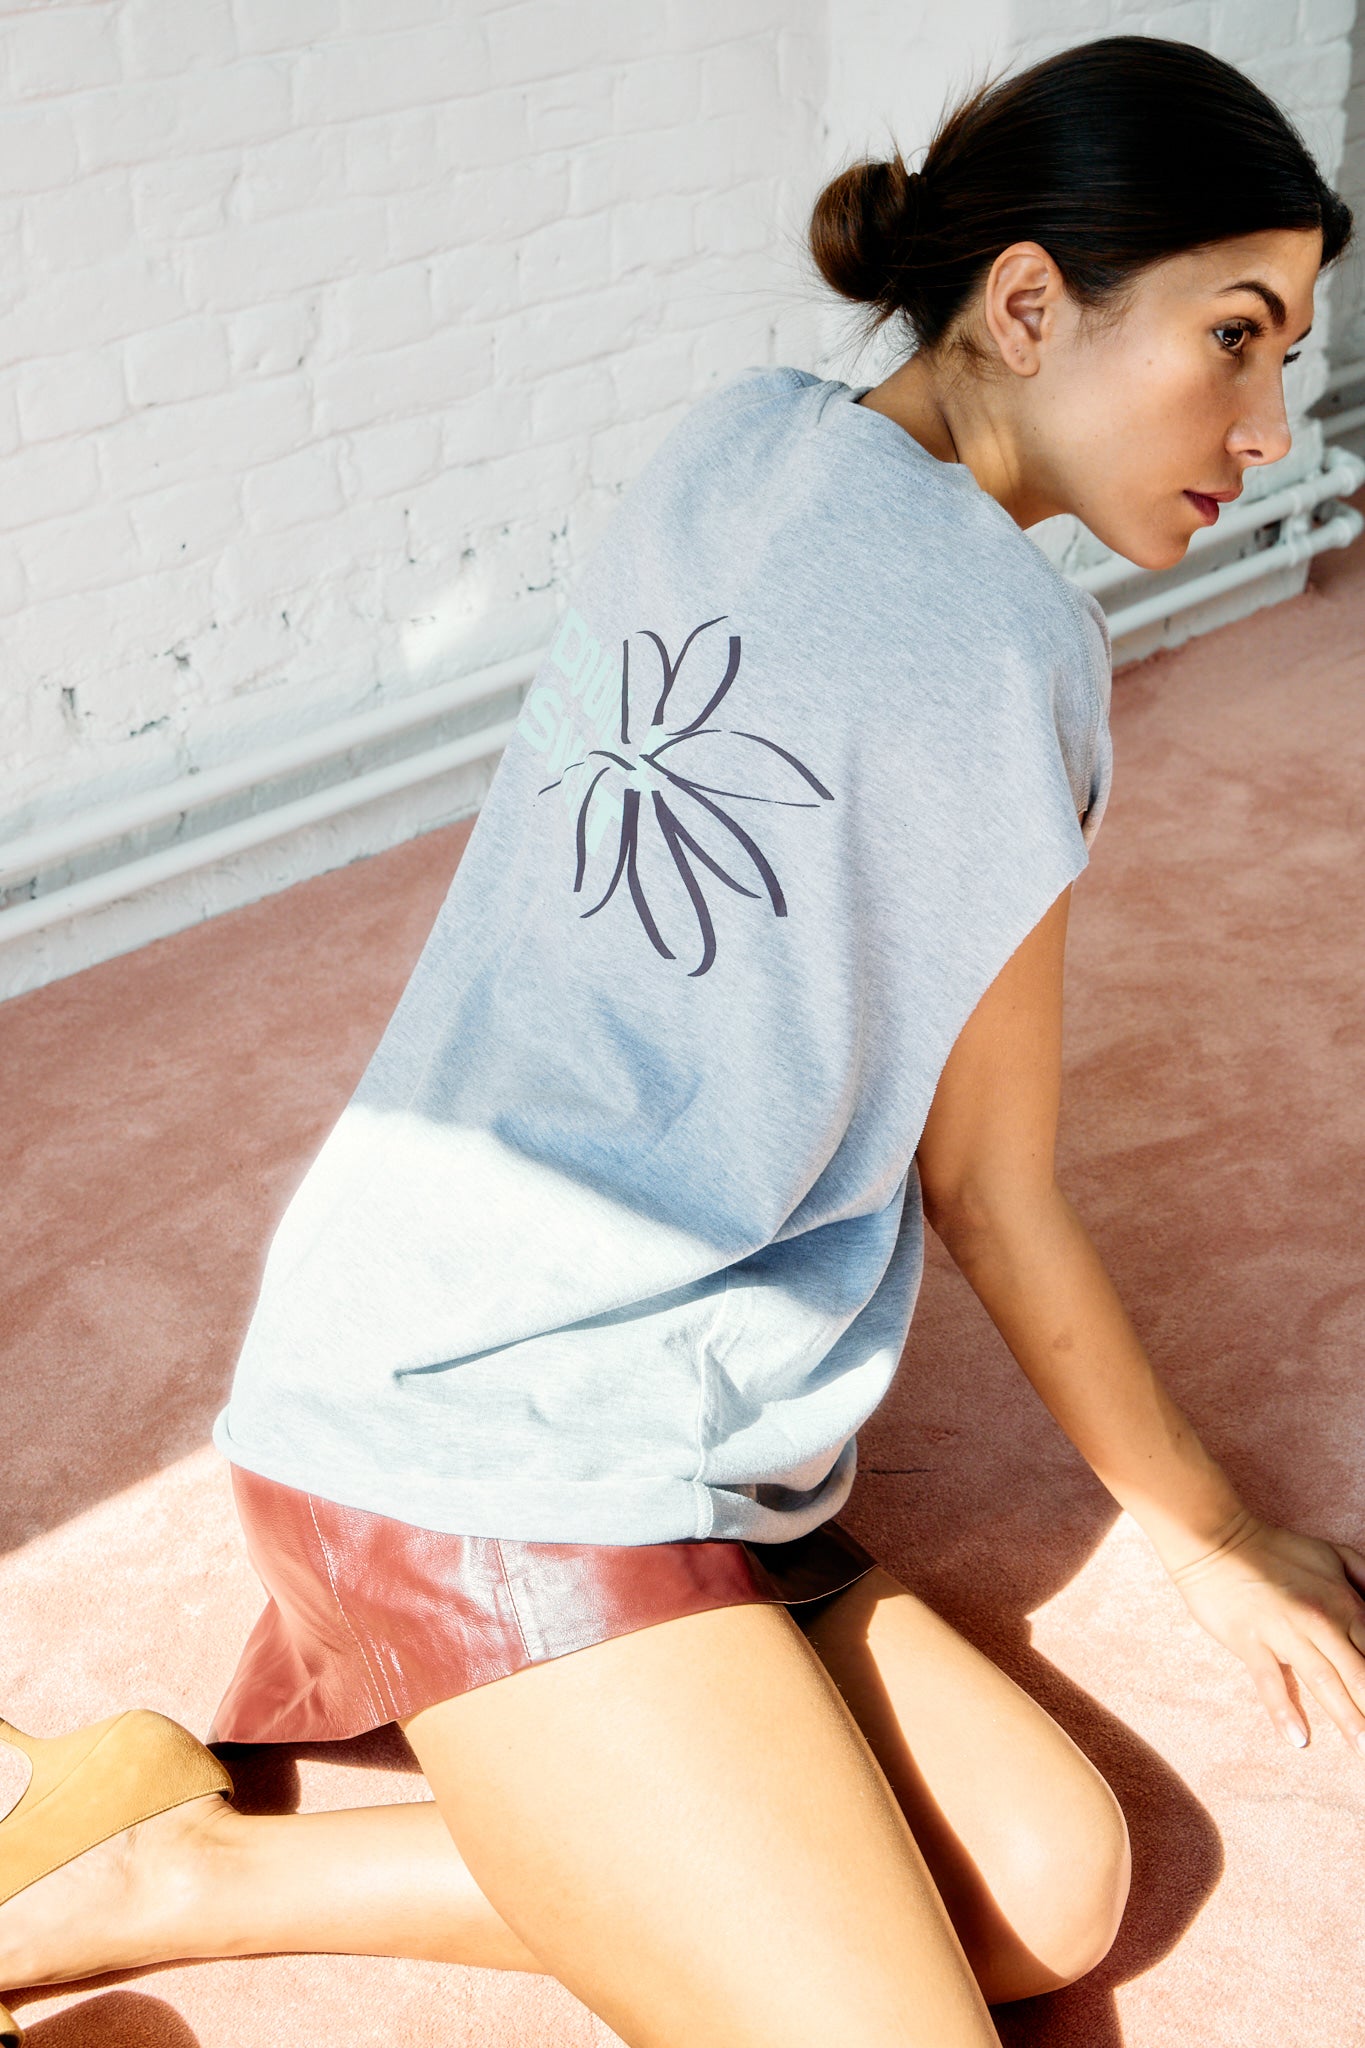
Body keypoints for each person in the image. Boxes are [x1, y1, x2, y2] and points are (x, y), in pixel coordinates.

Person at [3, 31, 1364, 2048]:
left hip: (585, 1383)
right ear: (1023, 303)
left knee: (1043, 1882)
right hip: (492, 1434)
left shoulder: (738, 431)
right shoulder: (1012, 649)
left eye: (1291, 355)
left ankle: (169, 1871)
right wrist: (1217, 1535)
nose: (1266, 422)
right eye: (1231, 336)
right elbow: (988, 1191)